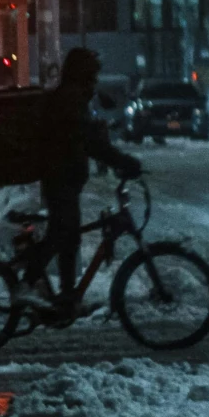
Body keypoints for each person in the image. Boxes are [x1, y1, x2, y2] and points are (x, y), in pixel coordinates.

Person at [37, 47, 143, 318]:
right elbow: (88, 141)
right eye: (93, 74)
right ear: (82, 73)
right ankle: (27, 283)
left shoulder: (74, 98)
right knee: (62, 233)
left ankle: (67, 298)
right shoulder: (71, 99)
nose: (96, 79)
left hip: (64, 177)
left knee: (69, 238)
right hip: (59, 177)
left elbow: (87, 137)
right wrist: (122, 161)